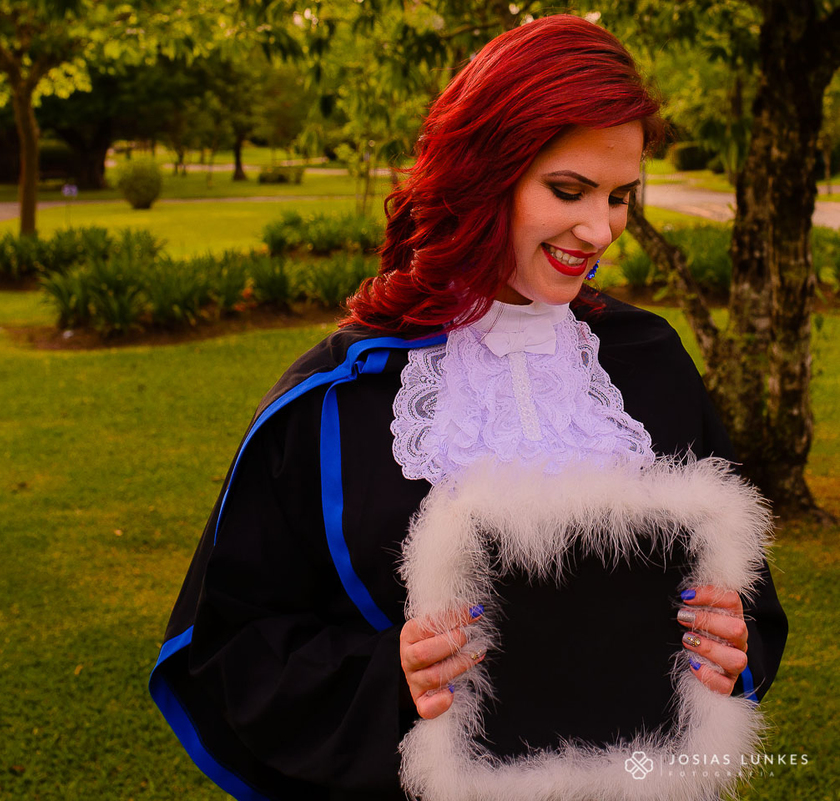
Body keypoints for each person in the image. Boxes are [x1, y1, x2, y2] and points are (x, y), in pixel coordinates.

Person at [149, 14, 787, 801]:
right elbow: (236, 648)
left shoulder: (650, 362)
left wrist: (733, 643)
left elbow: (746, 599)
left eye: (621, 196)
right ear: (483, 175)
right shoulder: (339, 400)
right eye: (568, 189)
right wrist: (394, 676)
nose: (601, 229)